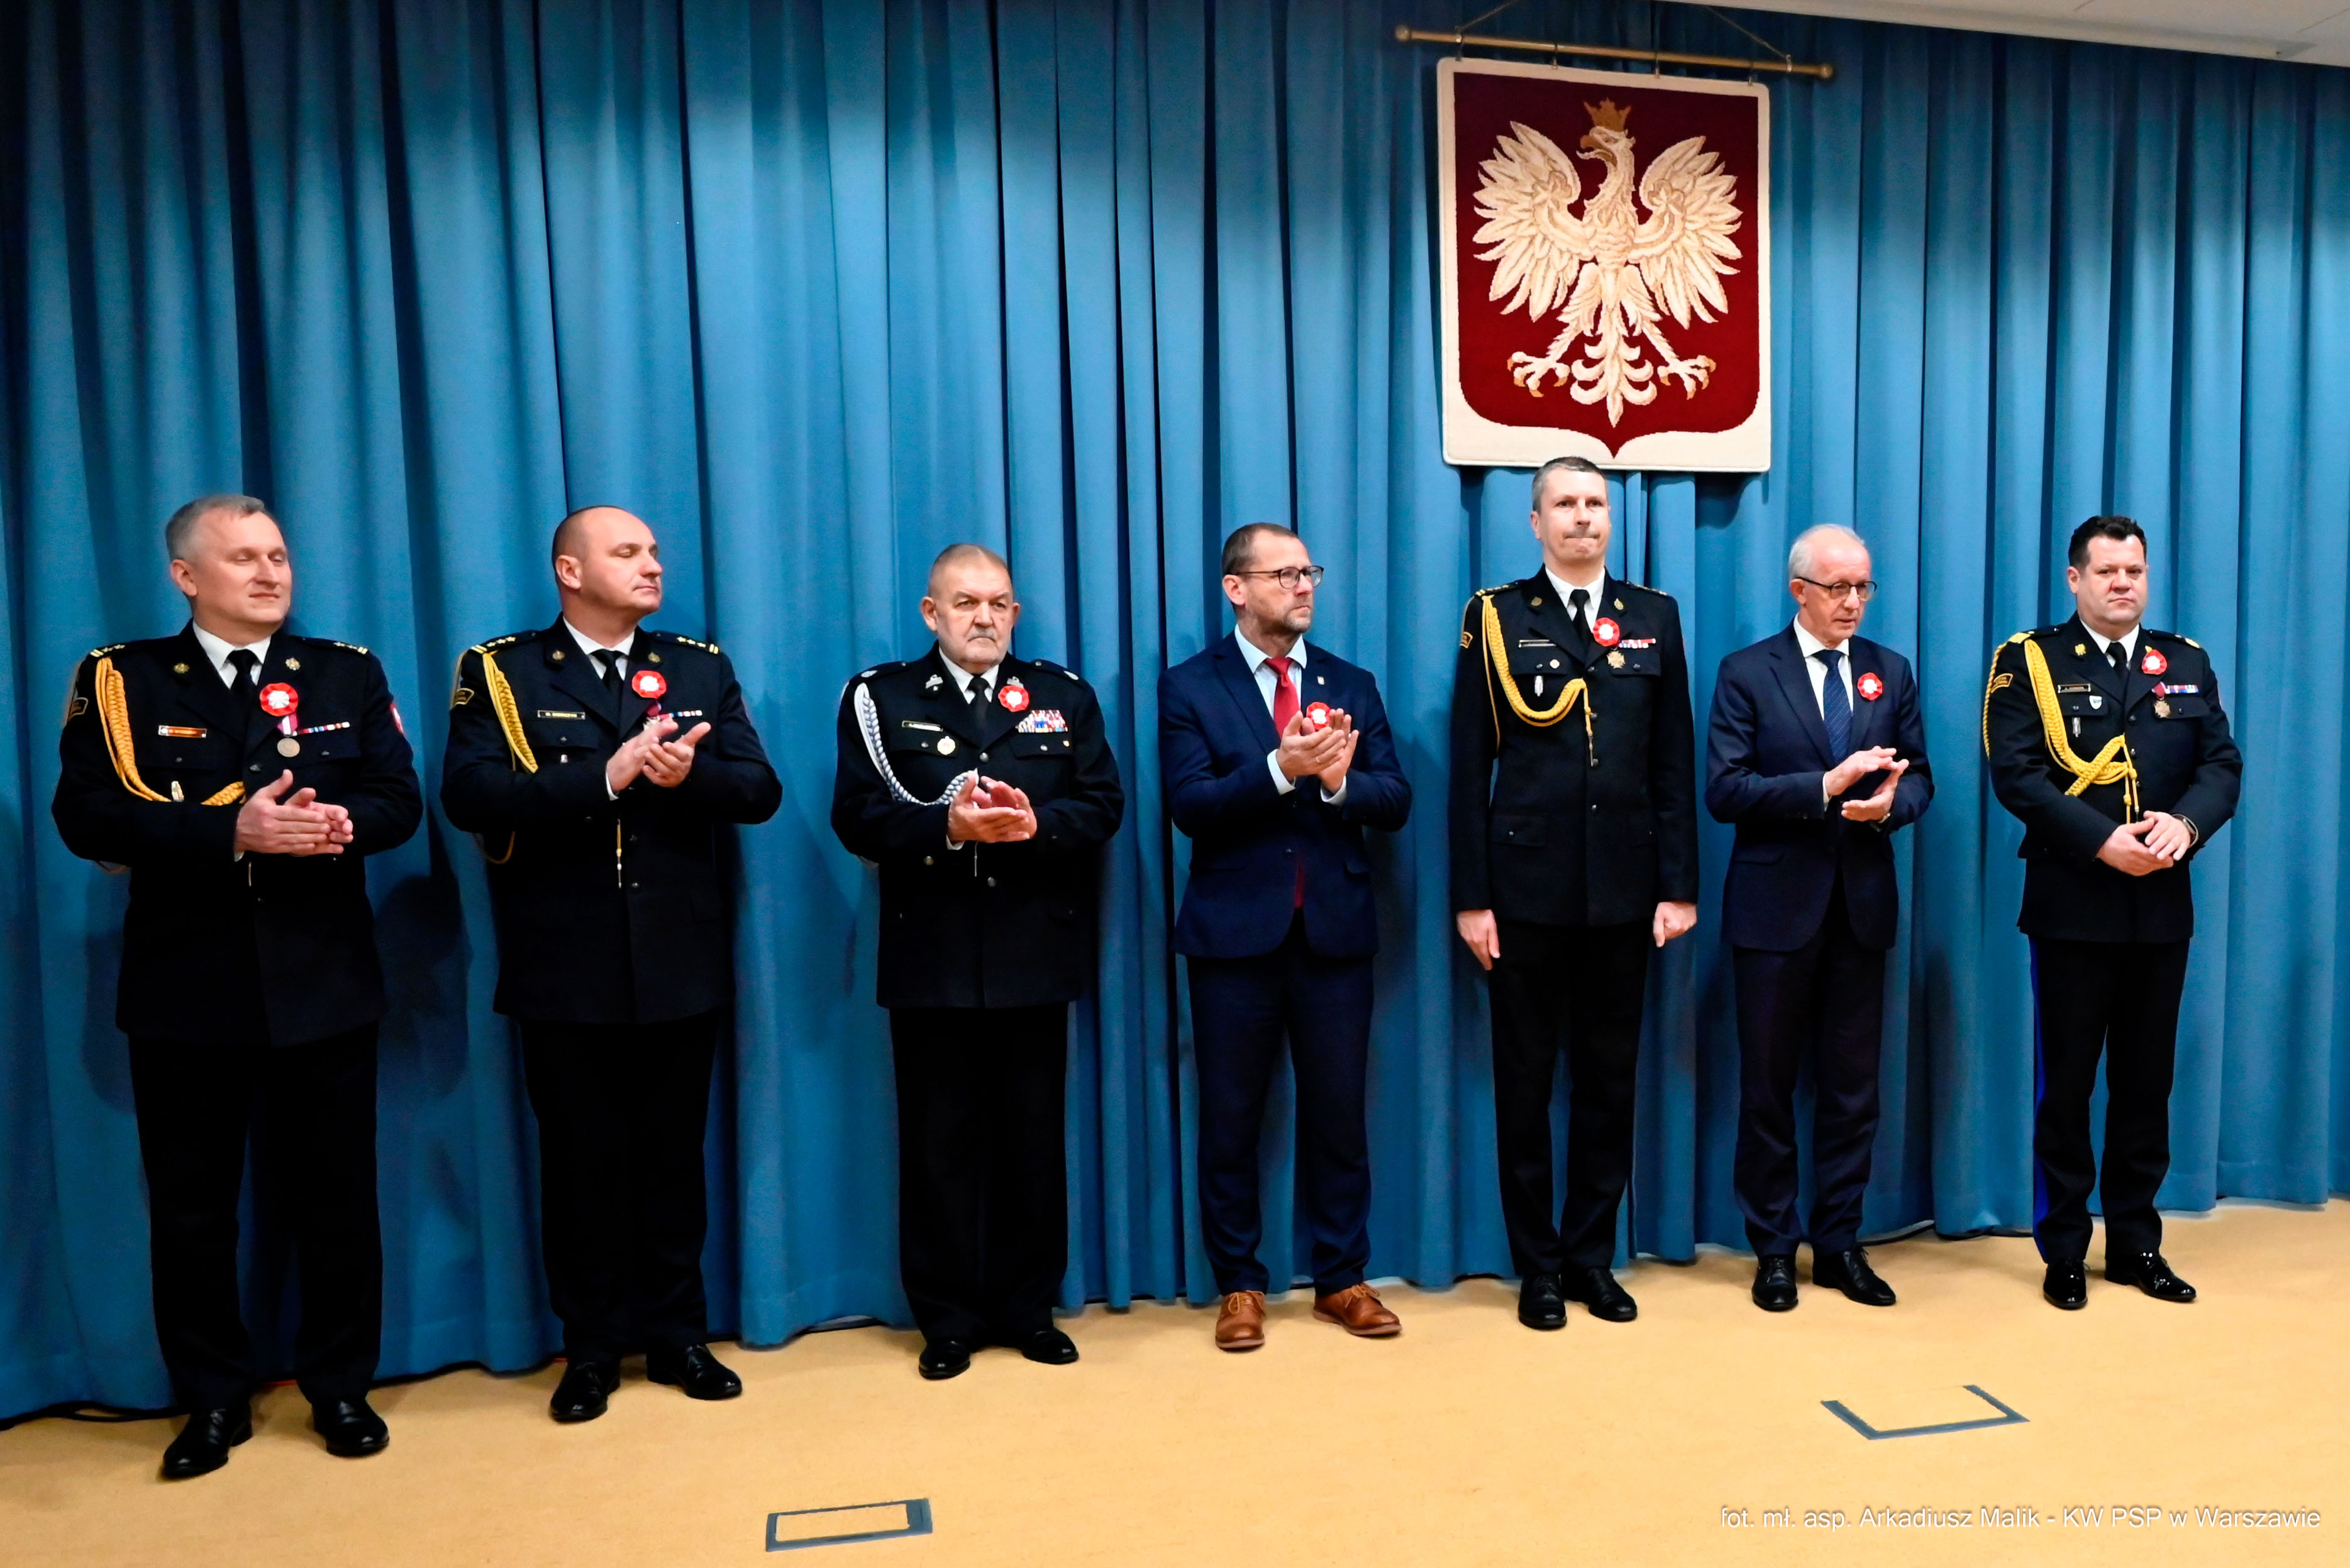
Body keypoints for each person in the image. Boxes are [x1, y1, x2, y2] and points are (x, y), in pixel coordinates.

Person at [52, 494, 421, 1479]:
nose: (270, 573)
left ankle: (340, 1387)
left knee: (336, 1201)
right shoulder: (122, 679)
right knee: (193, 1211)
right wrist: (230, 830)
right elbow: (86, 816)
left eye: (278, 555)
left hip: (322, 979)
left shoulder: (343, 671)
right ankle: (212, 1399)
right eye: (245, 557)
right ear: (186, 576)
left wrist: (337, 823)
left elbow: (398, 800)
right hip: (188, 987)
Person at [441, 505, 780, 1420]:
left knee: (674, 1161)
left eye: (654, 550)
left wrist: (688, 776)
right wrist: (607, 775)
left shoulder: (698, 666)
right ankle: (590, 1349)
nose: (652, 564)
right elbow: (470, 793)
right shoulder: (503, 670)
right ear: (569, 570)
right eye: (627, 551)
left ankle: (678, 1336)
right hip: (565, 961)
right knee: (580, 1165)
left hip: (677, 956)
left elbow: (758, 789)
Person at [830, 544, 1124, 1380]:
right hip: (933, 956)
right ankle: (949, 1318)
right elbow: (856, 815)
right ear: (932, 613)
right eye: (965, 603)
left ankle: (1029, 1309)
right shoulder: (880, 699)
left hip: (1034, 949)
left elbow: (1101, 803)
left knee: (1032, 1143)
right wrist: (948, 828)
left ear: (1015, 613)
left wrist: (1038, 825)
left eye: (998, 603)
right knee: (939, 1146)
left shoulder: (1062, 696)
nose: (984, 618)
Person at [1449, 455, 1700, 1330]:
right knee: (1523, 1087)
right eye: (1565, 503)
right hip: (1523, 890)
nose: (1583, 516)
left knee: (1608, 1082)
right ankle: (1539, 1267)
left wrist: (1678, 886)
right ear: (1535, 522)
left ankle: (1591, 1257)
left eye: (1595, 502)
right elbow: (1468, 765)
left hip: (1624, 892)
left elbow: (1672, 760)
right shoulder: (1496, 616)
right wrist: (1471, 896)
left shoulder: (1653, 616)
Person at [1159, 524, 1414, 1351]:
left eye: (1309, 572)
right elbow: (1190, 806)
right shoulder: (1189, 685)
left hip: (1333, 934)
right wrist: (1280, 769)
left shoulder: (1351, 681)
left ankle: (1342, 1277)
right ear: (1235, 588)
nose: (1302, 587)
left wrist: (1338, 780)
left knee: (1339, 1115)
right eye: (1283, 574)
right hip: (1233, 936)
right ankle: (1239, 1282)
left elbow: (1395, 798)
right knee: (1231, 1117)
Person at [1983, 514, 2239, 1311]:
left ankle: (2134, 1243)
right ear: (2074, 579)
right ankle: (2063, 1247)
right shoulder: (2030, 661)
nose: (2123, 583)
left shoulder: (2183, 661)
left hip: (2159, 906)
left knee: (2143, 1086)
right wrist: (2100, 842)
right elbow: (2016, 774)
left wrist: (2184, 826)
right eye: (2106, 571)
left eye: (2134, 570)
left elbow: (2219, 764)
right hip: (2071, 906)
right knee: (2064, 1088)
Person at [1704, 525, 1933, 1312]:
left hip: (1859, 910)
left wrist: (1888, 806)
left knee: (1852, 1092)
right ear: (1798, 590)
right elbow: (1724, 790)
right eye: (1837, 588)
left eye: (1863, 587)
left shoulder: (1888, 671)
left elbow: (1920, 778)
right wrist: (1824, 786)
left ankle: (1838, 1244)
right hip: (1772, 912)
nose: (1852, 602)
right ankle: (1773, 1248)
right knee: (1767, 1090)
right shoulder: (1746, 672)